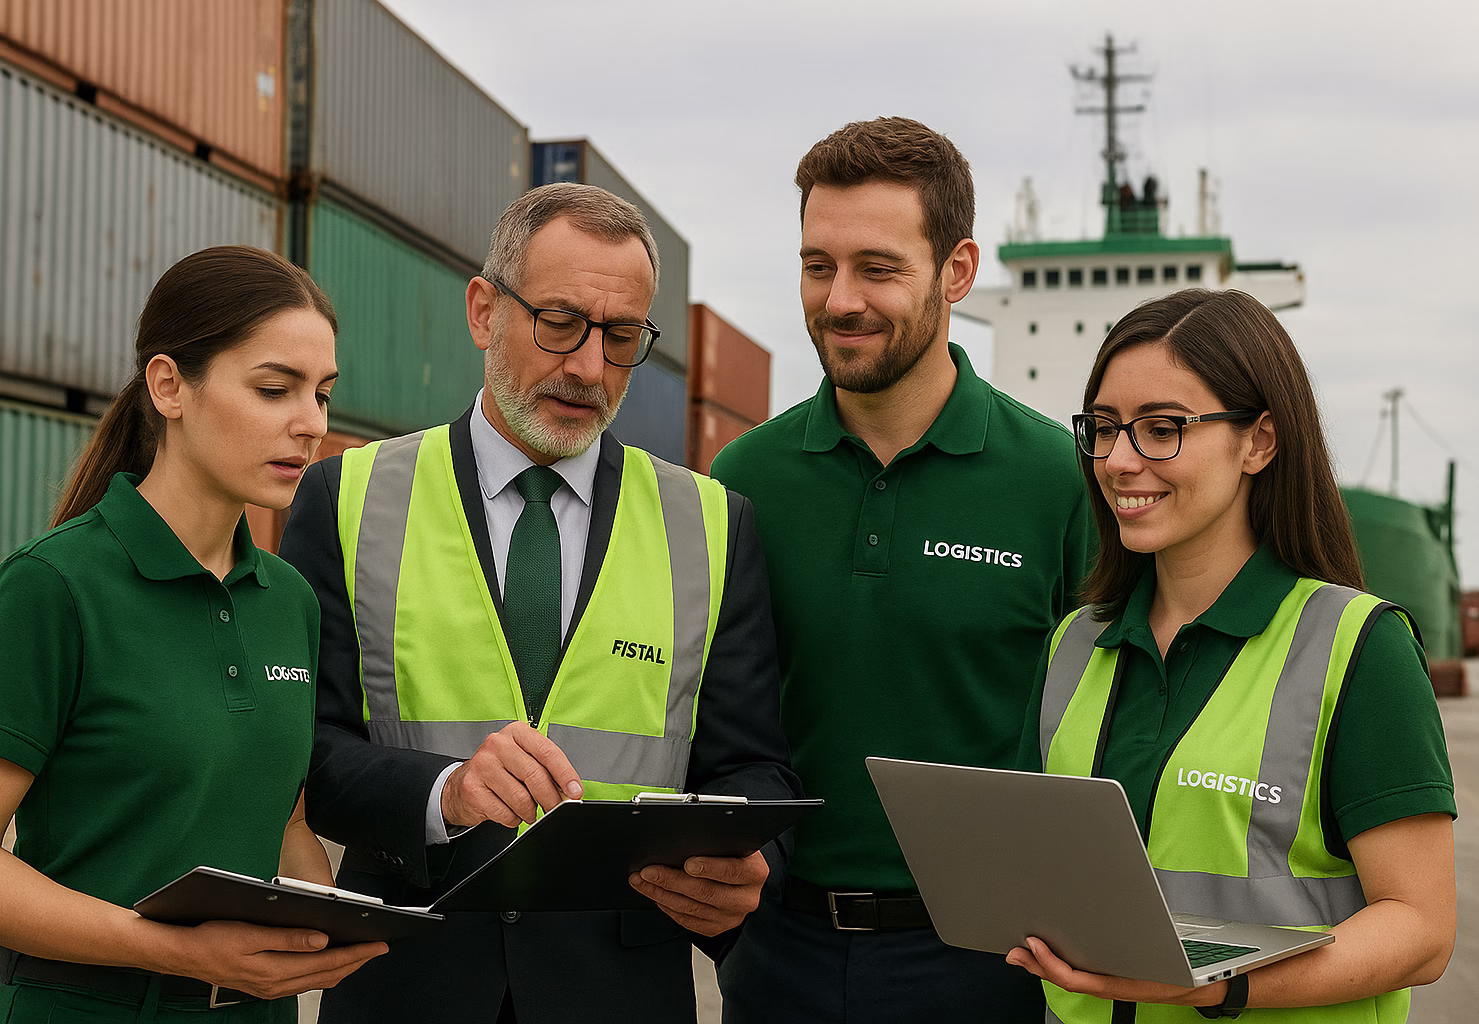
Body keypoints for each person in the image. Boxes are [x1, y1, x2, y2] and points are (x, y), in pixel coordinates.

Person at [278, 182, 799, 1024]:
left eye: (620, 336)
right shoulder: (346, 498)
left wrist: (749, 863)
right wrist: (443, 791)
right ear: (484, 311)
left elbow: (754, 765)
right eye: (559, 323)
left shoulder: (712, 524)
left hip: (621, 991)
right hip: (408, 982)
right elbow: (302, 746)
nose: (588, 366)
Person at [711, 117, 1093, 1022]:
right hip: (776, 957)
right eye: (817, 265)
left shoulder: (1058, 480)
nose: (840, 299)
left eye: (878, 268)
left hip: (987, 963)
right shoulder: (742, 481)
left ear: (956, 271)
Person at [1009, 289, 1456, 1022]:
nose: (1119, 461)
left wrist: (1220, 985)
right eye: (1105, 428)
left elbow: (1422, 931)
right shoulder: (1075, 645)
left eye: (1162, 429)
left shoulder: (1358, 649)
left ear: (1260, 442)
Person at [0, 246, 386, 1023]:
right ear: (170, 386)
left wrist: (344, 927)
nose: (311, 424)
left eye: (322, 392)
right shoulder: (53, 587)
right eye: (275, 389)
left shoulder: (289, 602)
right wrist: (172, 950)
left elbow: (283, 821)